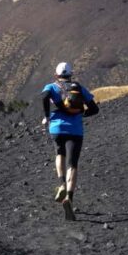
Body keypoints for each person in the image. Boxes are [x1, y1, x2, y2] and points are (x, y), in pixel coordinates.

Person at [41, 62, 99, 220]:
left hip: (57, 128)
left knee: (59, 154)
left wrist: (47, 116)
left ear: (56, 75)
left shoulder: (51, 86)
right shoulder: (78, 87)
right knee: (73, 164)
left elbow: (44, 96)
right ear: (70, 74)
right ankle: (69, 198)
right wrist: (80, 115)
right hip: (75, 130)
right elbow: (95, 109)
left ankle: (61, 184)